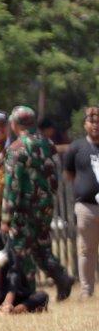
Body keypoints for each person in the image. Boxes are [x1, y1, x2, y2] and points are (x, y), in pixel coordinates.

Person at [2, 105, 74, 302]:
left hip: (24, 210)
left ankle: (31, 294)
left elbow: (12, 186)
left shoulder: (17, 148)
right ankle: (61, 277)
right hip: (46, 205)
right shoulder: (47, 143)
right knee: (42, 248)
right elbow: (54, 176)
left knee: (22, 250)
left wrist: (6, 218)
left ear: (15, 125)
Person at [64, 106, 99, 299]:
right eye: (92, 122)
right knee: (87, 249)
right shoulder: (76, 148)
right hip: (86, 207)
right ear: (85, 124)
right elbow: (69, 174)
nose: (96, 126)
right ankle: (87, 290)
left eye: (98, 122)